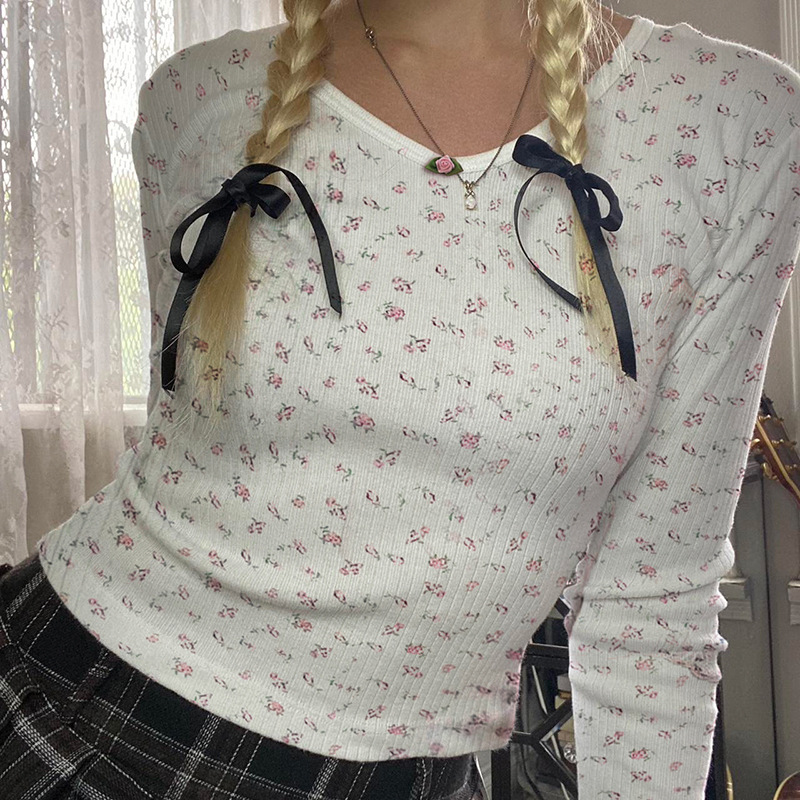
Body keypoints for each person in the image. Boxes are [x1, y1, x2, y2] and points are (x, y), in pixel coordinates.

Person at [1, 1, 799, 798]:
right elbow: (181, 448)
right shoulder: (197, 94)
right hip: (72, 716)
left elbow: (653, 605)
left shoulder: (731, 119)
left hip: (419, 775)